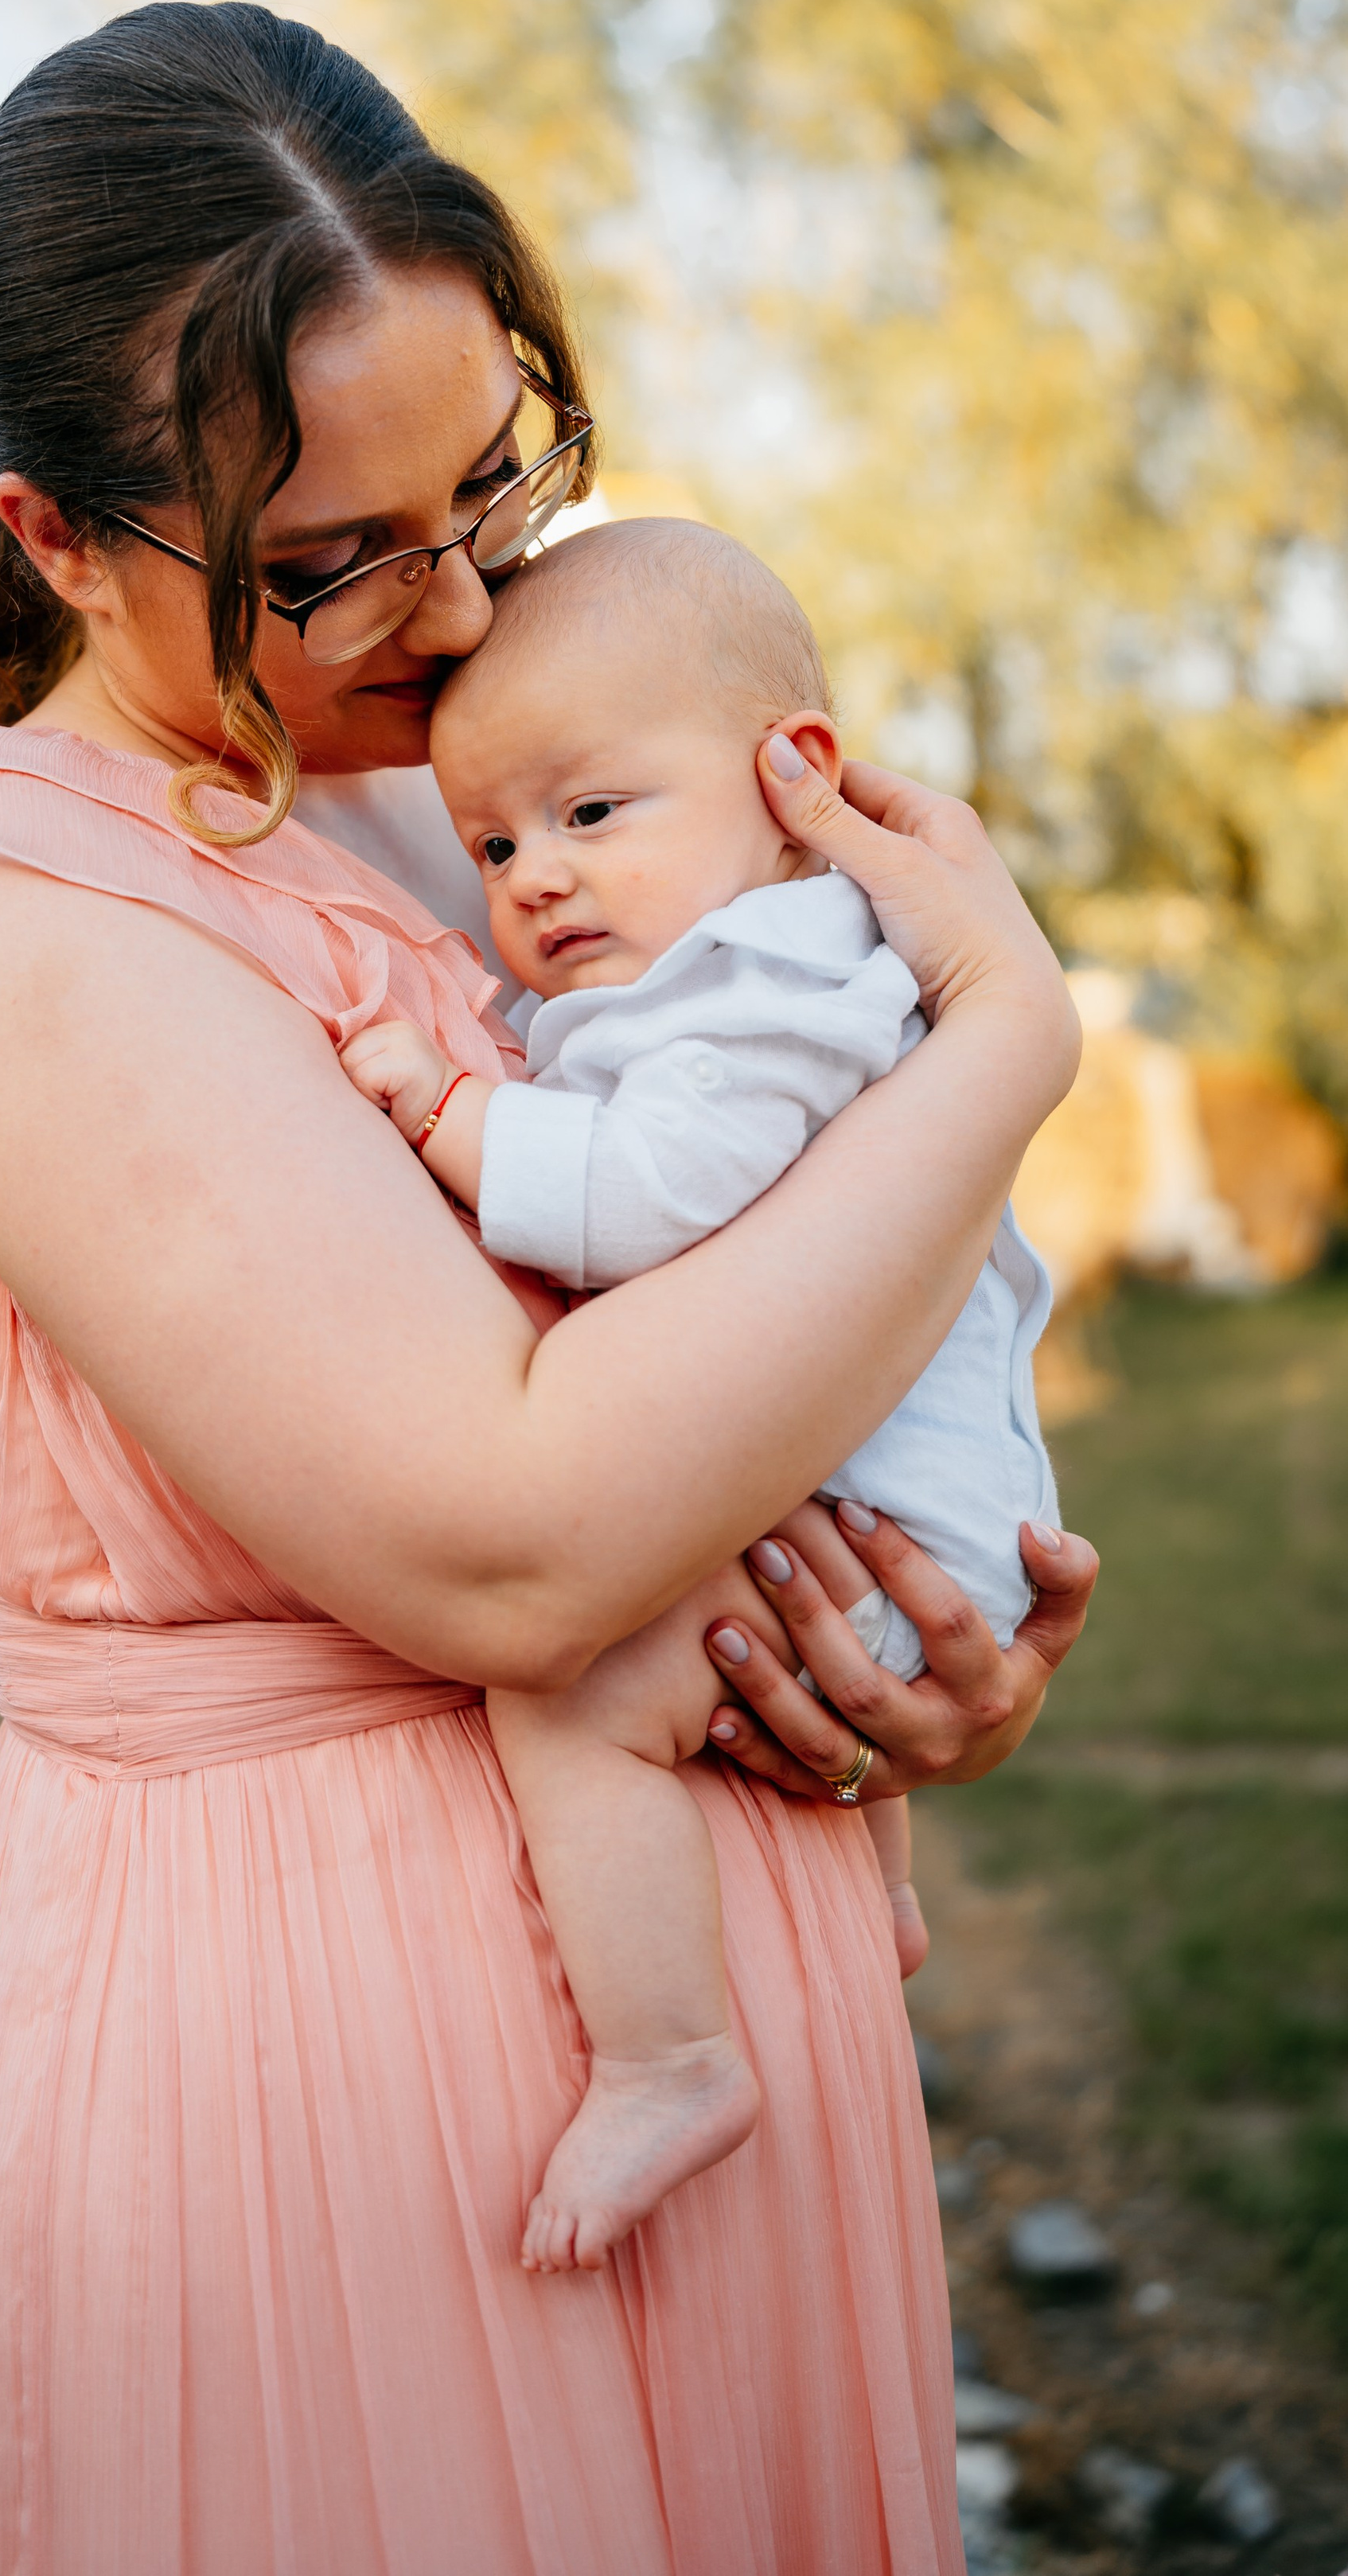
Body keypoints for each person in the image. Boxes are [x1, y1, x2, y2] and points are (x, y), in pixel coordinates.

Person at [0, 1, 1094, 2576]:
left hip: (718, 2020)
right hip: (349, 2089)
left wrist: (926, 1633)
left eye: (497, 480)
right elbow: (520, 1544)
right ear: (54, 537)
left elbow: (767, 1253)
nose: (453, 603)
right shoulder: (24, 910)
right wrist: (1004, 1041)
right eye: (335, 555)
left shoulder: (460, 789)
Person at [339, 516, 1058, 2278]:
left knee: (570, 1703)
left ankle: (670, 2056)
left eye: (591, 814)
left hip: (880, 1541)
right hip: (890, 1508)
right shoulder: (751, 965)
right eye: (493, 841)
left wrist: (446, 1116)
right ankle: (873, 1889)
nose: (534, 880)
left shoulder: (758, 988)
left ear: (793, 778)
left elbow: (652, 1193)